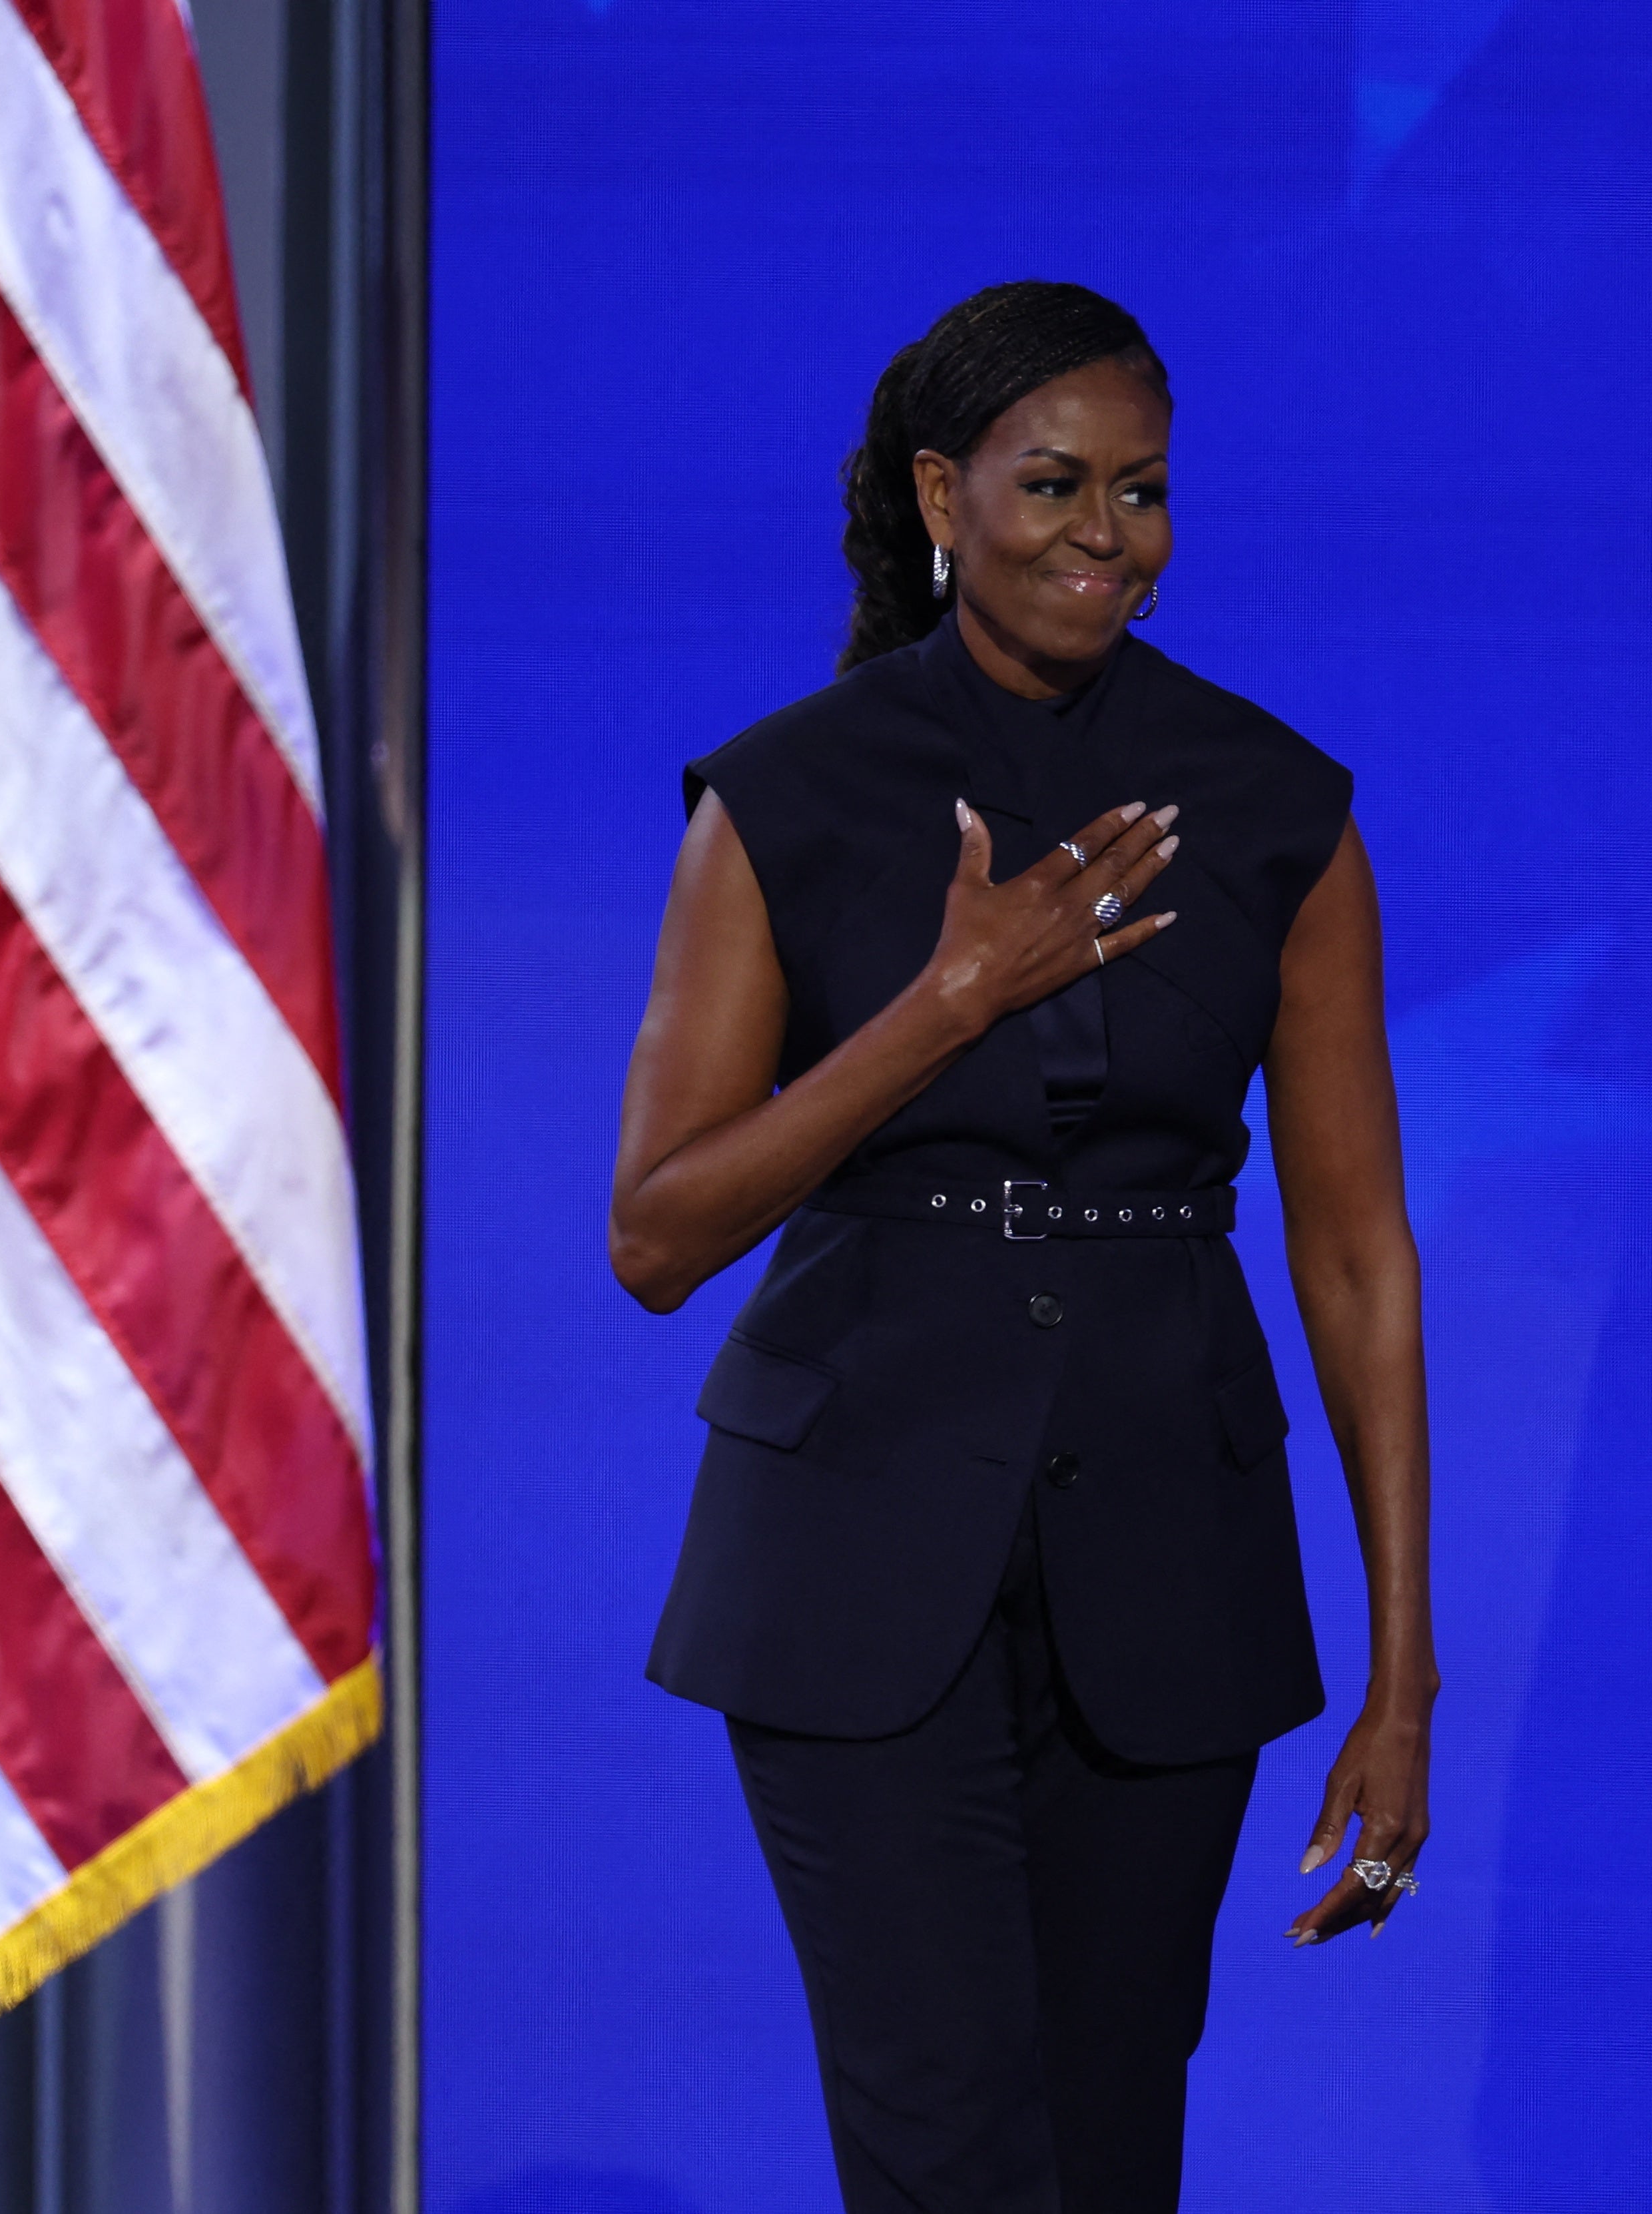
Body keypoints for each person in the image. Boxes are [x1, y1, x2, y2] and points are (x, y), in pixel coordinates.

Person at [606, 280, 1438, 2214]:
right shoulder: (785, 797)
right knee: (949, 2157)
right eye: (1051, 483)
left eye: (1138, 493)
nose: (1101, 534)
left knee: (1105, 2152)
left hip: (1168, 1560)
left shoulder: (1273, 810)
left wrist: (1403, 1681)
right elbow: (654, 1238)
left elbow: (1357, 1262)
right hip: (852, 1566)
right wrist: (944, 1005)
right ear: (936, 494)